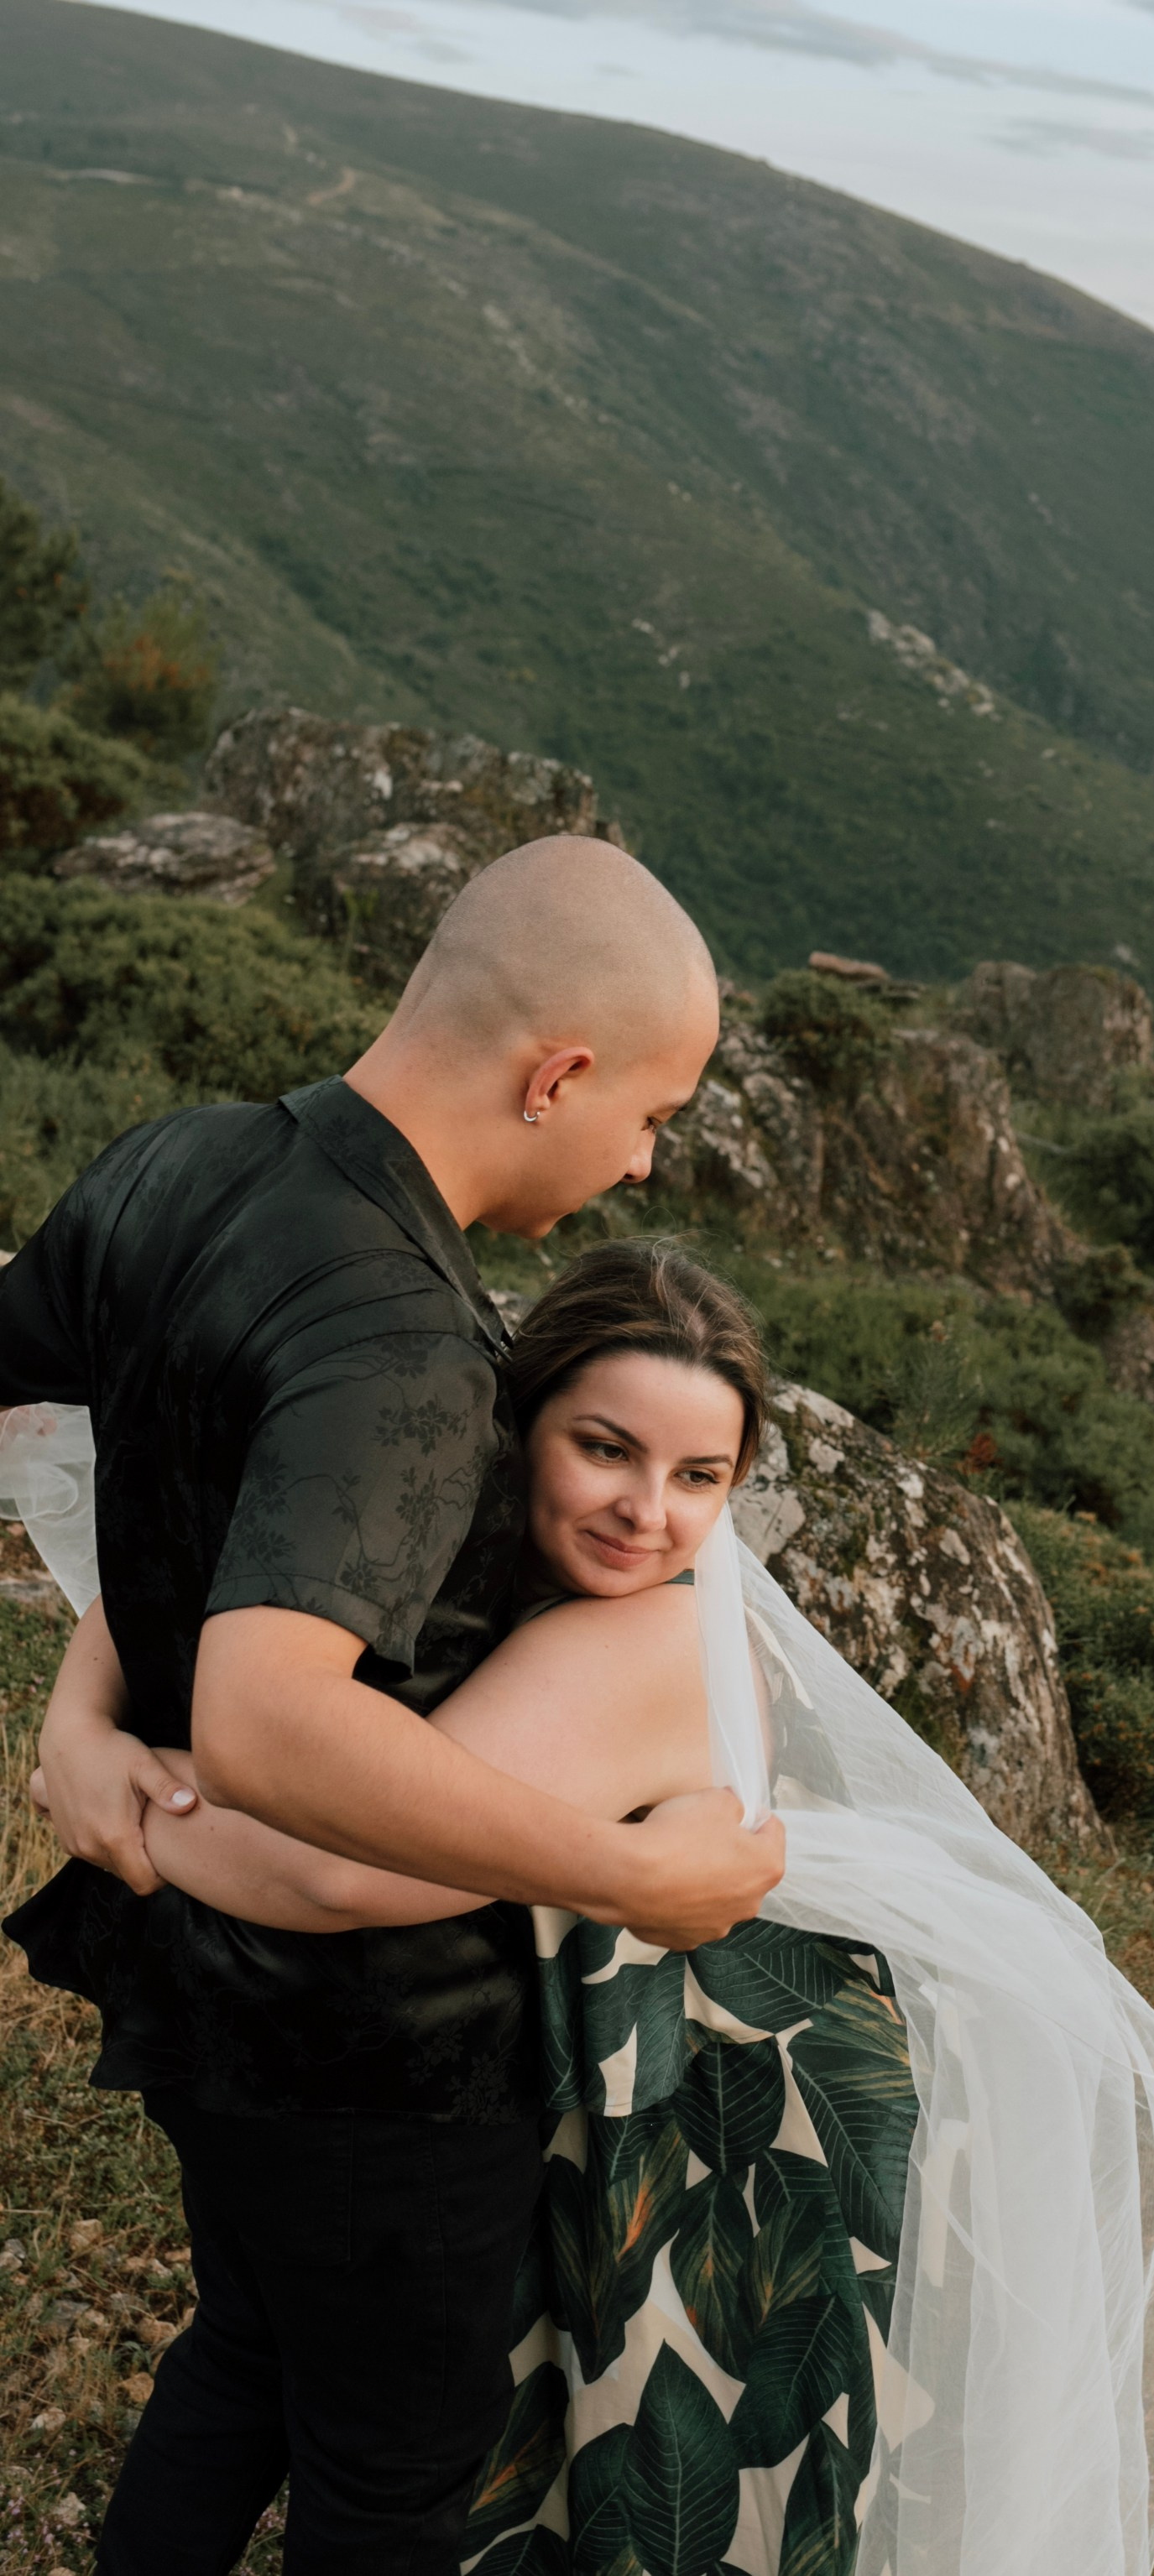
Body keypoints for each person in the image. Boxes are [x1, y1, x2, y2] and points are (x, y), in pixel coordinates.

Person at [86, 1236, 1154, 2576]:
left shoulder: (639, 1636)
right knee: (284, 2373)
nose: (650, 1509)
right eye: (607, 1449)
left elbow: (346, 1867)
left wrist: (129, 1797)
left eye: (701, 1477)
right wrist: (84, 1719)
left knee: (523, 2461)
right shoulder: (477, 1556)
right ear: (515, 1423)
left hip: (717, 2145)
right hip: (590, 2093)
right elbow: (206, 1533)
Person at [0, 838, 786, 2575]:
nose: (645, 1154)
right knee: (386, 2477)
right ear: (558, 1073)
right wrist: (627, 1870)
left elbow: (84, 1419)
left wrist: (88, 1706)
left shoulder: (179, 1160)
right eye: (651, 1109)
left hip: (197, 1983)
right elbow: (280, 1722)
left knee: (242, 2359)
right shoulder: (409, 1340)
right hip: (378, 2048)